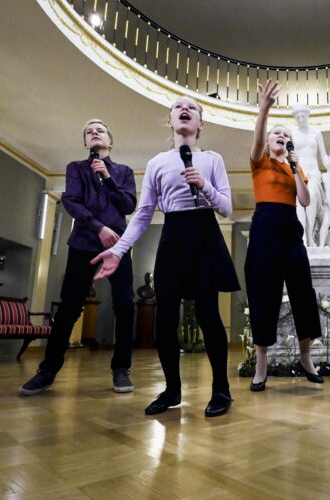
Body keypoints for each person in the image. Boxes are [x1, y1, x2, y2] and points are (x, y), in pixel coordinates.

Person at [91, 96, 240, 418]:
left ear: (200, 124)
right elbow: (144, 214)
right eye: (178, 107)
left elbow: (227, 208)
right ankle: (172, 391)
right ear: (170, 122)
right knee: (166, 318)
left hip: (204, 232)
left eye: (193, 109)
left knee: (208, 315)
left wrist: (205, 187)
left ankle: (221, 391)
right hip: (173, 237)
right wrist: (117, 250)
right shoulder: (158, 162)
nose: (185, 110)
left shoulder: (213, 159)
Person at [19, 119, 137, 396]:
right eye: (88, 131)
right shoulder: (75, 168)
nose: (94, 132)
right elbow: (72, 201)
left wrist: (107, 178)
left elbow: (128, 205)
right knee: (69, 308)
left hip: (118, 248)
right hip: (84, 244)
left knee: (125, 306)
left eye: (100, 130)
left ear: (110, 141)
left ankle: (121, 369)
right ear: (86, 143)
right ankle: (47, 371)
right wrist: (99, 228)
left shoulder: (124, 171)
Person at [247, 80, 324, 392]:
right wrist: (265, 109)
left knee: (303, 293)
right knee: (263, 296)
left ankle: (306, 357)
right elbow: (257, 137)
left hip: (291, 229)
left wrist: (295, 169)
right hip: (264, 227)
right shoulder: (259, 161)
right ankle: (261, 362)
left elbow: (305, 201)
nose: (282, 137)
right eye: (277, 134)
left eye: (286, 135)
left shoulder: (296, 166)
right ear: (268, 142)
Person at [290, 104, 329, 246]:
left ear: (307, 115)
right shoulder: (292, 133)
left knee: (311, 199)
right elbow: (290, 155)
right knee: (299, 204)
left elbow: (323, 156)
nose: (300, 119)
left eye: (303, 116)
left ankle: (311, 236)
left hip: (314, 172)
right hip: (299, 172)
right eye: (297, 116)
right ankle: (303, 238)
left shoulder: (316, 132)